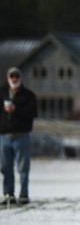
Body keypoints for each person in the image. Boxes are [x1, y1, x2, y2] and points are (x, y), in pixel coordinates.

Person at [2, 66, 38, 205]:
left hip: (22, 136)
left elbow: (33, 112)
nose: (14, 78)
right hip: (4, 137)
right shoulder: (2, 93)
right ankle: (8, 194)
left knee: (23, 168)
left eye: (17, 76)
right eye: (12, 76)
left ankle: (23, 195)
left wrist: (16, 109)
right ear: (8, 78)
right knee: (5, 168)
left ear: (21, 78)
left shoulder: (28, 95)